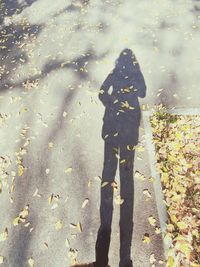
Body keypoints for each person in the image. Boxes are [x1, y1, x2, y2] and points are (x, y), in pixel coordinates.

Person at [71, 48, 146, 267]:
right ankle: (124, 257)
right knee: (127, 172)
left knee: (108, 168)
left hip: (112, 126)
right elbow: (142, 92)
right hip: (129, 128)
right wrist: (135, 79)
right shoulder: (135, 75)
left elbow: (102, 93)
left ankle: (107, 198)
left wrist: (112, 103)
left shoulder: (113, 74)